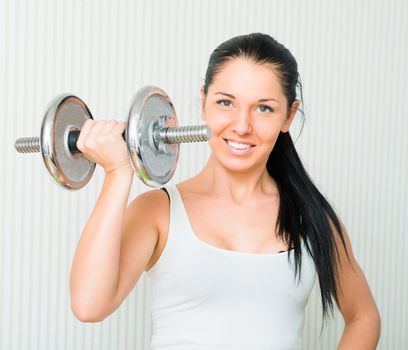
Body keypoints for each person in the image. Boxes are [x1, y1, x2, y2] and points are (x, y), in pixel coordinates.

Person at [69, 33, 381, 349]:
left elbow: (363, 316)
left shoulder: (310, 216)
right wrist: (117, 172)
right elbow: (89, 306)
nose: (242, 126)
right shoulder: (158, 211)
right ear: (204, 102)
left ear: (288, 115)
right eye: (226, 102)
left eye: (263, 108)